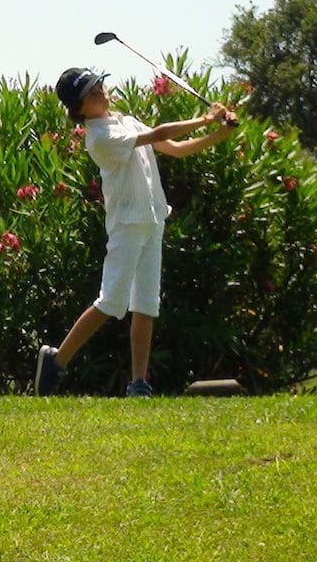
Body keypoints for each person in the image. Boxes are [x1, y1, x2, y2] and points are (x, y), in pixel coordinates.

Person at [35, 68, 235, 398]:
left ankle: (138, 383)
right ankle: (57, 360)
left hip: (154, 218)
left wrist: (219, 134)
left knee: (146, 304)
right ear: (80, 108)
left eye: (97, 84)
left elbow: (176, 148)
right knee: (111, 302)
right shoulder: (98, 137)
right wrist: (205, 119)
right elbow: (158, 134)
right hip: (127, 225)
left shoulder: (126, 120)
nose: (99, 92)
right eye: (90, 92)